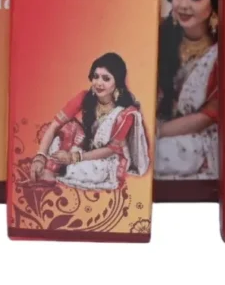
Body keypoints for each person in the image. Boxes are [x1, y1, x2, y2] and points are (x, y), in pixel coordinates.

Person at [29, 52, 150, 191]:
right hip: (83, 149)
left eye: (106, 79)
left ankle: (58, 171)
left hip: (105, 159)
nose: (99, 83)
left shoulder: (126, 113)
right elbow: (54, 126)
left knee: (92, 171)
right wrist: (40, 157)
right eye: (95, 76)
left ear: (117, 82)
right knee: (68, 128)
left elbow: (110, 150)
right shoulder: (84, 97)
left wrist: (74, 157)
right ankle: (51, 170)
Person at [155, 0, 219, 180]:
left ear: (215, 1)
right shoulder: (160, 35)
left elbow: (208, 116)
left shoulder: (223, 51)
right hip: (157, 127)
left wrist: (154, 133)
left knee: (152, 153)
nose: (183, 5)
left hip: (200, 138)